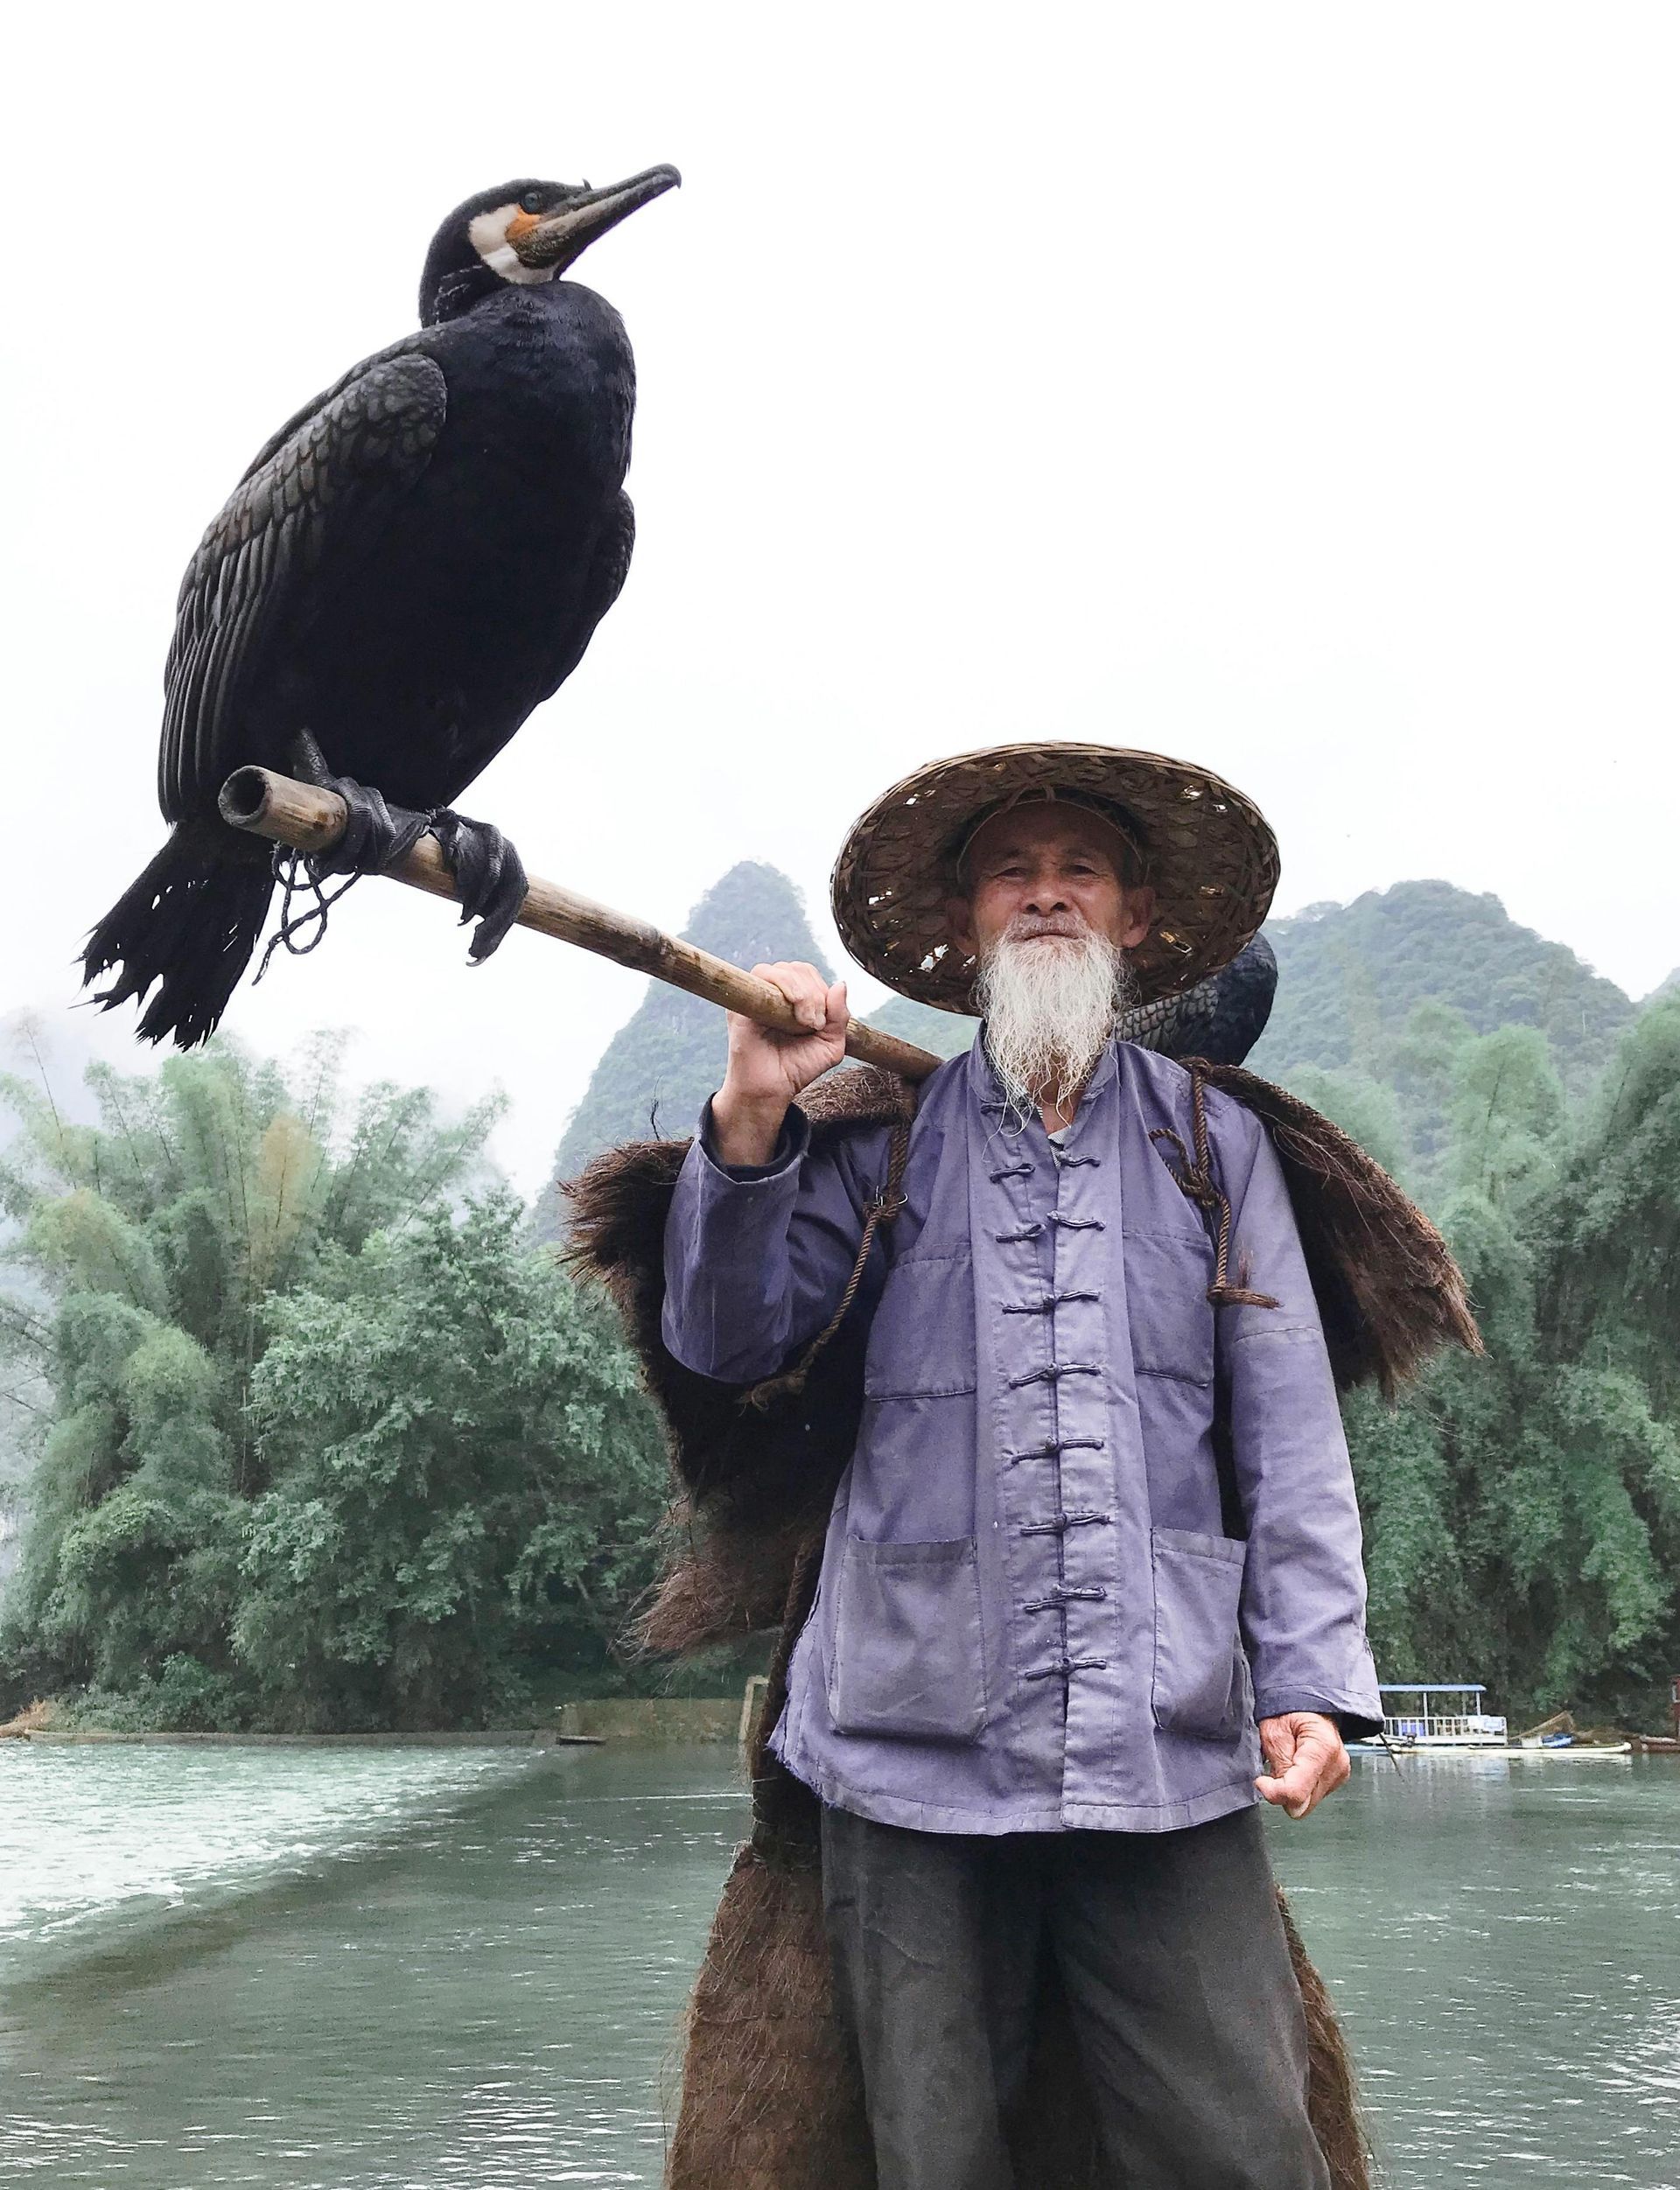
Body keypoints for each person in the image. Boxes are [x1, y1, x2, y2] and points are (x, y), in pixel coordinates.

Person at [656, 745, 1385, 2190]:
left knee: (1245, 2151)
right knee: (934, 2156)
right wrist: (754, 1121)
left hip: (1164, 1744)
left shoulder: (1210, 1147)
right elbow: (728, 1343)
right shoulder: (876, 1143)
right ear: (967, 923)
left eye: (1080, 872)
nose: (1046, 897)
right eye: (1013, 871)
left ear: (1132, 920)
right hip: (911, 1742)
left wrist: (1308, 1680)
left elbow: (1290, 1434)